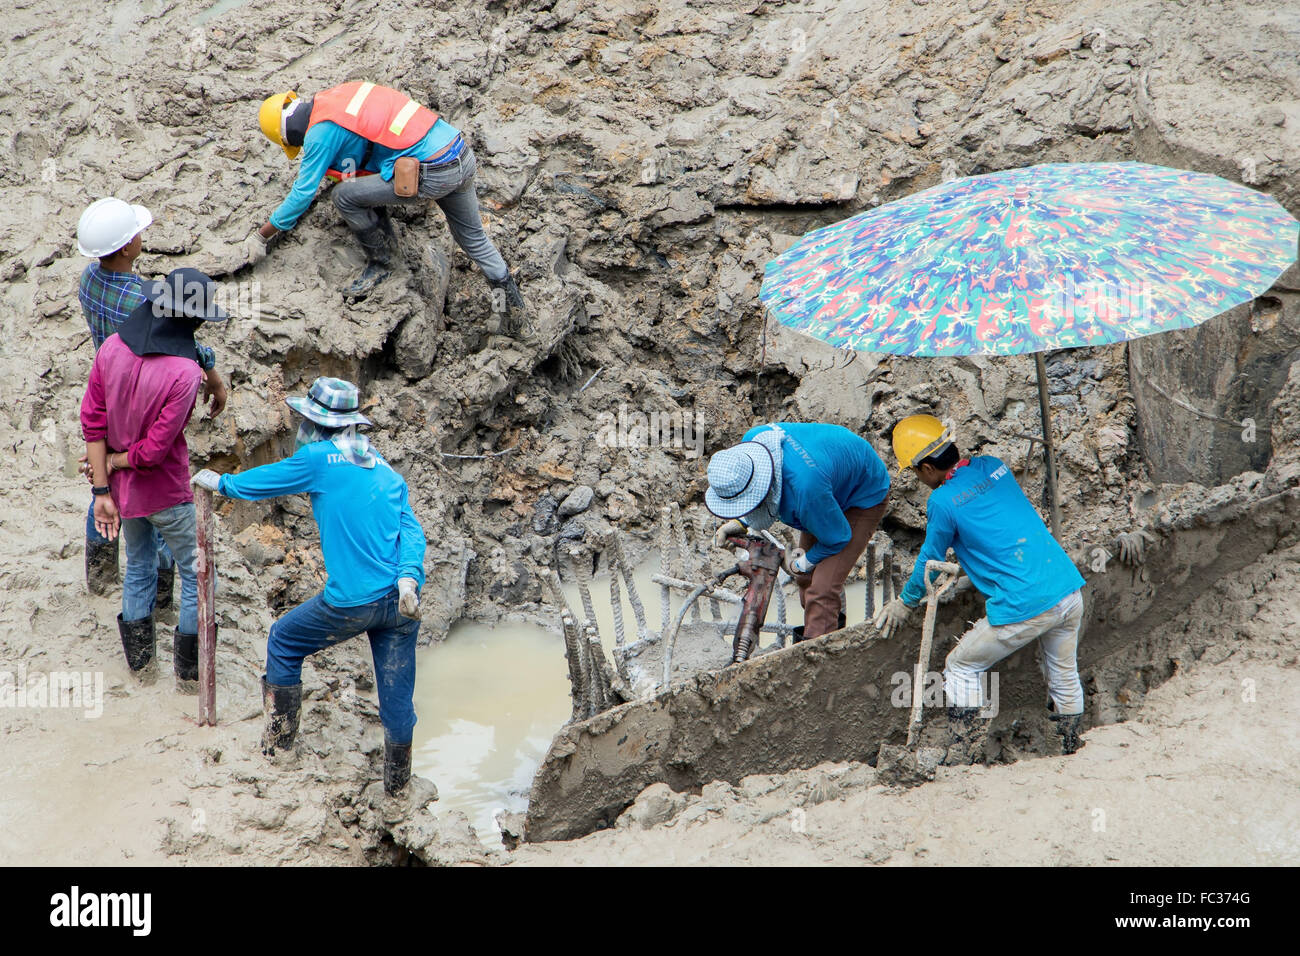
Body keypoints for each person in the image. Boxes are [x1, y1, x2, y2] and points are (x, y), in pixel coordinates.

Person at [191, 377, 427, 796]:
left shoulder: (319, 458)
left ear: (316, 423)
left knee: (284, 638)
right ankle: (397, 785)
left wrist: (222, 483)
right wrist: (409, 577)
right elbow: (412, 530)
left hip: (353, 600)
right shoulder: (384, 467)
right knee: (396, 689)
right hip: (400, 597)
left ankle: (278, 749)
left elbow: (268, 480)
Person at [873, 414, 1088, 761]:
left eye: (915, 471)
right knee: (1063, 675)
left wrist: (905, 602)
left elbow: (930, 559)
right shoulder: (992, 465)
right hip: (1066, 587)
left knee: (960, 666)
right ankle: (1068, 749)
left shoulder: (941, 501)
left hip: (1026, 603)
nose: (917, 479)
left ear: (927, 467)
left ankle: (964, 753)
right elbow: (998, 525)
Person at [247, 82, 525, 325]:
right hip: (459, 153)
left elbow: (302, 194)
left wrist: (263, 235)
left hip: (434, 171)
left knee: (344, 196)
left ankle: (383, 262)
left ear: (287, 135)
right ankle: (513, 312)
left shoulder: (319, 134)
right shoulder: (337, 97)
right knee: (474, 239)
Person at [80, 268, 228, 688]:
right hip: (165, 493)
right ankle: (188, 677)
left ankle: (142, 671)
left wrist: (103, 485)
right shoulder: (184, 374)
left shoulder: (110, 349)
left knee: (139, 565)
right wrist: (119, 460)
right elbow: (152, 453)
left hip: (124, 496)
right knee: (197, 572)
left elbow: (91, 420)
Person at [76, 197, 227, 599]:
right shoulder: (139, 302)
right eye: (137, 234)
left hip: (107, 384)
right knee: (148, 493)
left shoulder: (88, 281)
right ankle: (161, 592)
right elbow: (183, 343)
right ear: (127, 247)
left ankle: (101, 569)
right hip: (143, 394)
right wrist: (212, 375)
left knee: (104, 480)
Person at [706, 422, 891, 642]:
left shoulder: (805, 491)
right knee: (805, 578)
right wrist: (741, 522)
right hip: (826, 482)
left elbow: (838, 538)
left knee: (821, 590)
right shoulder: (754, 442)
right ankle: (834, 630)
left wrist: (798, 564)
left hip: (862, 493)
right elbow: (754, 492)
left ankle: (815, 654)